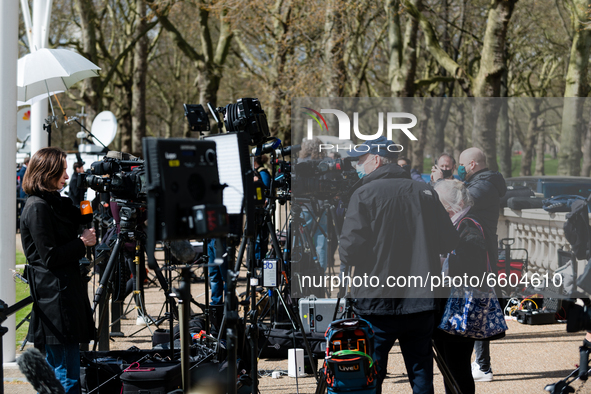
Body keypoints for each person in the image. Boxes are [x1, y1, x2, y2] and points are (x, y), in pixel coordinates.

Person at [339, 137, 459, 394]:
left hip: (376, 303)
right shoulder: (425, 192)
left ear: (377, 159)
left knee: (371, 374)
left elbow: (349, 252)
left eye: (360, 161)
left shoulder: (363, 193)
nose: (357, 167)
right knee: (421, 373)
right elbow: (448, 240)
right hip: (420, 301)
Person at [20, 147, 96, 394]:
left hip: (65, 293)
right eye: (62, 170)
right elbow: (50, 256)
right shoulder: (37, 207)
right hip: (55, 299)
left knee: (63, 372)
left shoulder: (56, 203)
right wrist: (82, 243)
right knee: (66, 376)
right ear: (47, 172)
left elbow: (82, 218)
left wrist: (87, 188)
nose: (66, 175)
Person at [435, 147, 507, 382]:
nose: (460, 169)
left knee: (458, 360)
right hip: (469, 284)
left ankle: (483, 366)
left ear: (473, 164)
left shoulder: (480, 192)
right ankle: (481, 364)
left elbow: (459, 197)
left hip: (466, 291)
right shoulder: (484, 183)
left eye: (462, 165)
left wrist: (442, 182)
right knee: (457, 359)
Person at [433, 180, 487, 394]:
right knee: (450, 365)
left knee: (457, 365)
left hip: (462, 304)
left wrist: (442, 262)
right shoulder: (458, 222)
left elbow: (472, 263)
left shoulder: (468, 223)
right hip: (454, 303)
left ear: (456, 203)